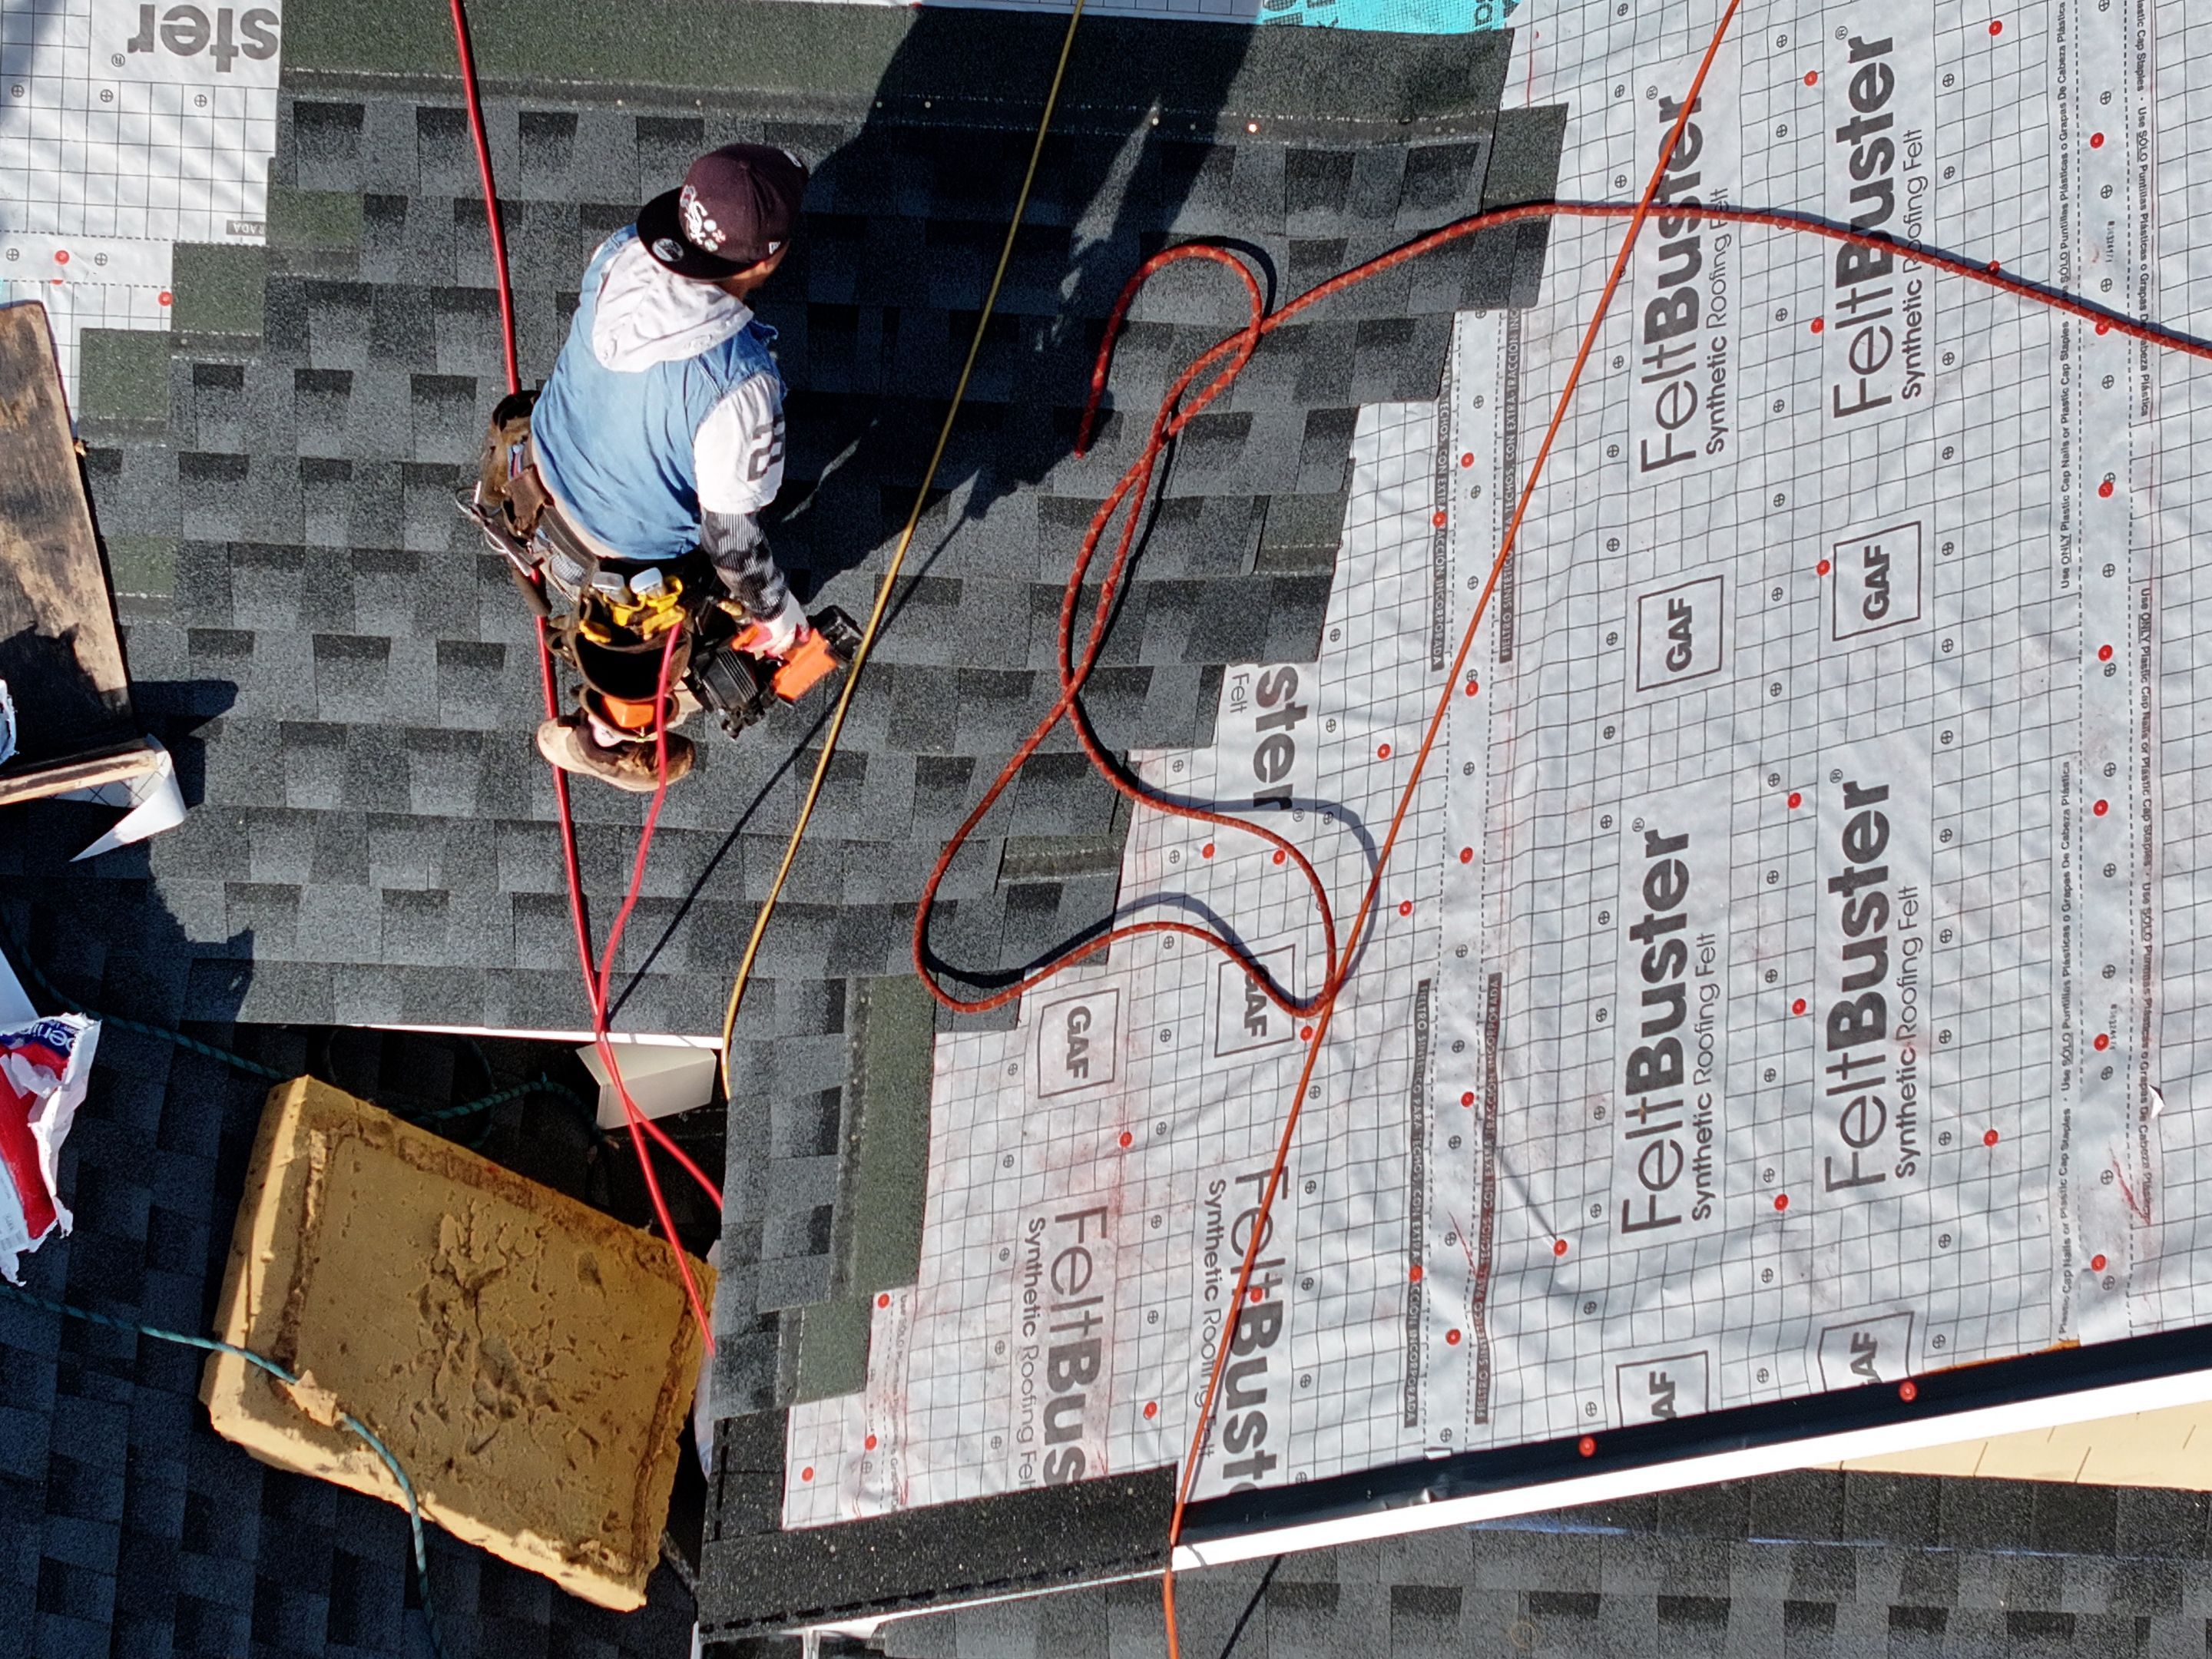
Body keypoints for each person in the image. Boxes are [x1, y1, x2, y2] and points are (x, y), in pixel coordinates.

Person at [475, 143, 812, 791]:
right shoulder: (739, 387)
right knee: (684, 633)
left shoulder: (622, 251)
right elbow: (735, 546)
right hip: (622, 570)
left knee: (614, 615)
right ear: (769, 257)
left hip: (533, 492)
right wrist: (779, 620)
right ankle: (619, 736)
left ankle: (600, 725)